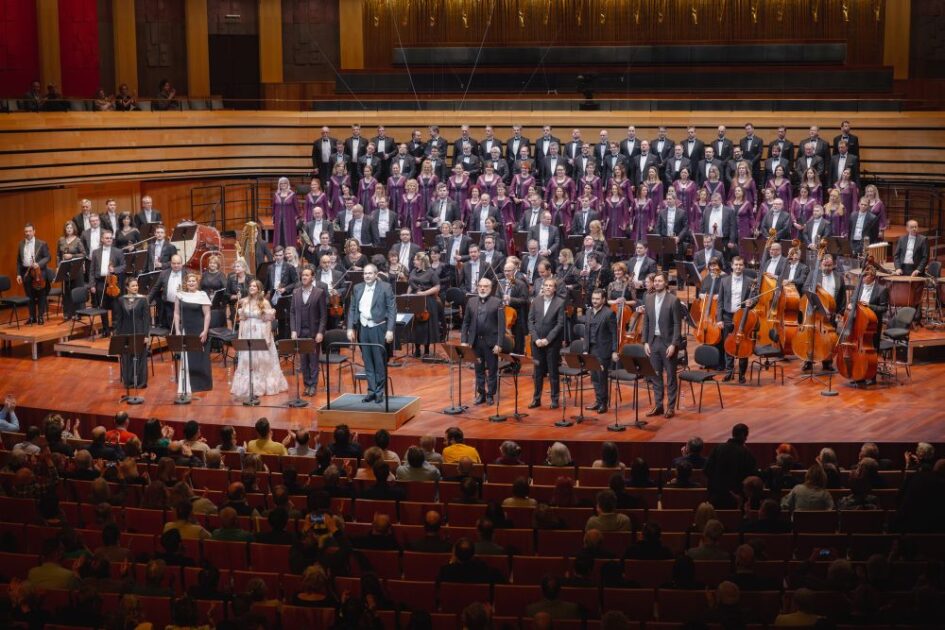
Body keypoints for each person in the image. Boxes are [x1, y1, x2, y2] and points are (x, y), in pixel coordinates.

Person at [347, 263, 396, 404]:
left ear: (375, 274)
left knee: (379, 361)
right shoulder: (357, 288)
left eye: (370, 273)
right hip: (363, 328)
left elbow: (392, 310)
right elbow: (352, 308)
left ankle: (379, 392)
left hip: (378, 327)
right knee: (367, 361)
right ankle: (371, 391)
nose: (367, 276)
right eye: (365, 273)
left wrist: (390, 330)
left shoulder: (385, 287)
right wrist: (350, 328)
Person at [231, 279, 288, 400]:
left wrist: (267, 337)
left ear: (259, 289)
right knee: (248, 360)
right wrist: (240, 335)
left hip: (260, 333)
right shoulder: (245, 302)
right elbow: (242, 320)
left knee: (261, 360)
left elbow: (268, 322)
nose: (251, 288)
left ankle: (262, 387)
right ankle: (249, 387)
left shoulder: (265, 302)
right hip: (248, 333)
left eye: (254, 286)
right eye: (250, 286)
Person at [643, 272, 681, 418]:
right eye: (655, 281)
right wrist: (645, 341)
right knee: (655, 375)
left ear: (665, 283)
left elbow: (677, 324)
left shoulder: (673, 300)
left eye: (660, 281)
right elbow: (646, 322)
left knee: (670, 376)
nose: (657, 283)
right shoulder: (649, 298)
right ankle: (658, 405)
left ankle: (670, 407)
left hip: (668, 343)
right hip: (653, 342)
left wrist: (674, 344)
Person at [461, 277, 504, 405]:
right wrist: (464, 340)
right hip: (475, 342)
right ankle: (481, 393)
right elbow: (466, 322)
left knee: (492, 369)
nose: (482, 288)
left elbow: (501, 326)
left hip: (491, 342)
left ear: (490, 288)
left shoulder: (497, 302)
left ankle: (490, 394)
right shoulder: (471, 301)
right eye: (480, 286)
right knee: (478, 369)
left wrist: (499, 343)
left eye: (485, 286)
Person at [528, 278, 566, 409]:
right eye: (546, 285)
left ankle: (554, 399)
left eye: (551, 286)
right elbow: (530, 321)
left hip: (552, 343)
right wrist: (536, 338)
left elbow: (560, 324)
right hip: (537, 342)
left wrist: (547, 339)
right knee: (537, 372)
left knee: (553, 371)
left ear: (555, 289)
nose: (548, 287)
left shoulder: (560, 302)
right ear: (542, 287)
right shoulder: (536, 301)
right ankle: (536, 399)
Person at [288, 265, 326, 397]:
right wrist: (293, 330)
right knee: (303, 362)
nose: (304, 277)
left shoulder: (319, 292)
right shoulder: (296, 292)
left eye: (307, 275)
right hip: (300, 332)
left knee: (313, 361)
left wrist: (320, 332)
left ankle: (313, 385)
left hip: (313, 332)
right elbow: (292, 312)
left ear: (312, 277)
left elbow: (323, 315)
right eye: (303, 275)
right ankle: (307, 385)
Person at [717, 256, 756, 383]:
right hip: (728, 316)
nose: (738, 267)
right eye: (736, 265)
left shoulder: (750, 281)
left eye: (740, 265)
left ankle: (742, 374)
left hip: (743, 317)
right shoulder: (724, 281)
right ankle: (729, 372)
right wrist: (719, 319)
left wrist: (752, 302)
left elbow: (756, 298)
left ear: (743, 266)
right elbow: (720, 302)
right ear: (732, 266)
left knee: (743, 345)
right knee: (728, 344)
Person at [173, 272, 212, 396]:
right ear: (186, 283)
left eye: (193, 281)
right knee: (187, 357)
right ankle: (188, 383)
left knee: (200, 356)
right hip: (186, 329)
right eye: (189, 281)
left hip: (199, 329)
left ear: (197, 282)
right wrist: (177, 330)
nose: (191, 283)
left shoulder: (202, 295)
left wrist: (205, 330)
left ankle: (202, 384)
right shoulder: (180, 295)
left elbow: (207, 315)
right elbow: (176, 313)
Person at [705, 423, 758, 509]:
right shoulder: (746, 453)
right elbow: (751, 476)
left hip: (716, 497)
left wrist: (716, 486)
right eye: (746, 436)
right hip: (737, 498)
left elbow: (707, 470)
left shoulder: (717, 448)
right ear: (743, 436)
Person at [584, 288, 618, 413]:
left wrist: (614, 350)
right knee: (594, 377)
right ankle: (598, 401)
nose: (594, 301)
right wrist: (585, 349)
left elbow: (614, 333)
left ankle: (603, 403)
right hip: (591, 349)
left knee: (601, 377)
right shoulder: (588, 312)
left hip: (603, 350)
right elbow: (586, 332)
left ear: (603, 300)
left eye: (597, 299)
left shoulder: (609, 313)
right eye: (593, 298)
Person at [113, 276, 150, 389]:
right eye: (133, 286)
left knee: (140, 356)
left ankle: (140, 382)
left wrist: (146, 335)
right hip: (125, 331)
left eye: (136, 285)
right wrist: (117, 335)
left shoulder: (143, 300)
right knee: (127, 357)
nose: (136, 287)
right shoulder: (121, 300)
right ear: (127, 287)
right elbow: (119, 319)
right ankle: (128, 381)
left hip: (139, 331)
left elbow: (146, 319)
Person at [88, 230, 125, 336]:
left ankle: (115, 329)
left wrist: (114, 269)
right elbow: (92, 270)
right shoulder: (95, 252)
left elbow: (123, 266)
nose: (109, 240)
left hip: (113, 282)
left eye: (110, 238)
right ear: (102, 239)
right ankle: (105, 330)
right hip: (100, 282)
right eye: (107, 238)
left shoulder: (118, 251)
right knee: (102, 307)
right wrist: (92, 285)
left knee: (115, 307)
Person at [16, 223, 51, 325]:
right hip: (26, 272)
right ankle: (32, 317)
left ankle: (40, 316)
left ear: (34, 231)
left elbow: (48, 257)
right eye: (26, 231)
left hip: (38, 273)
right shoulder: (21, 244)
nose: (28, 233)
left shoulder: (42, 243)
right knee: (29, 295)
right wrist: (18, 274)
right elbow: (19, 261)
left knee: (41, 295)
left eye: (30, 231)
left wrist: (39, 264)